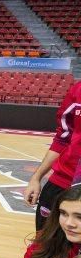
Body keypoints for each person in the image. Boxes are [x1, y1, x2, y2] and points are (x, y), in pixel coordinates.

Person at [25, 78, 81, 230]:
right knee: (43, 248)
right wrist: (36, 178)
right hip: (62, 182)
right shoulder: (77, 90)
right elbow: (63, 139)